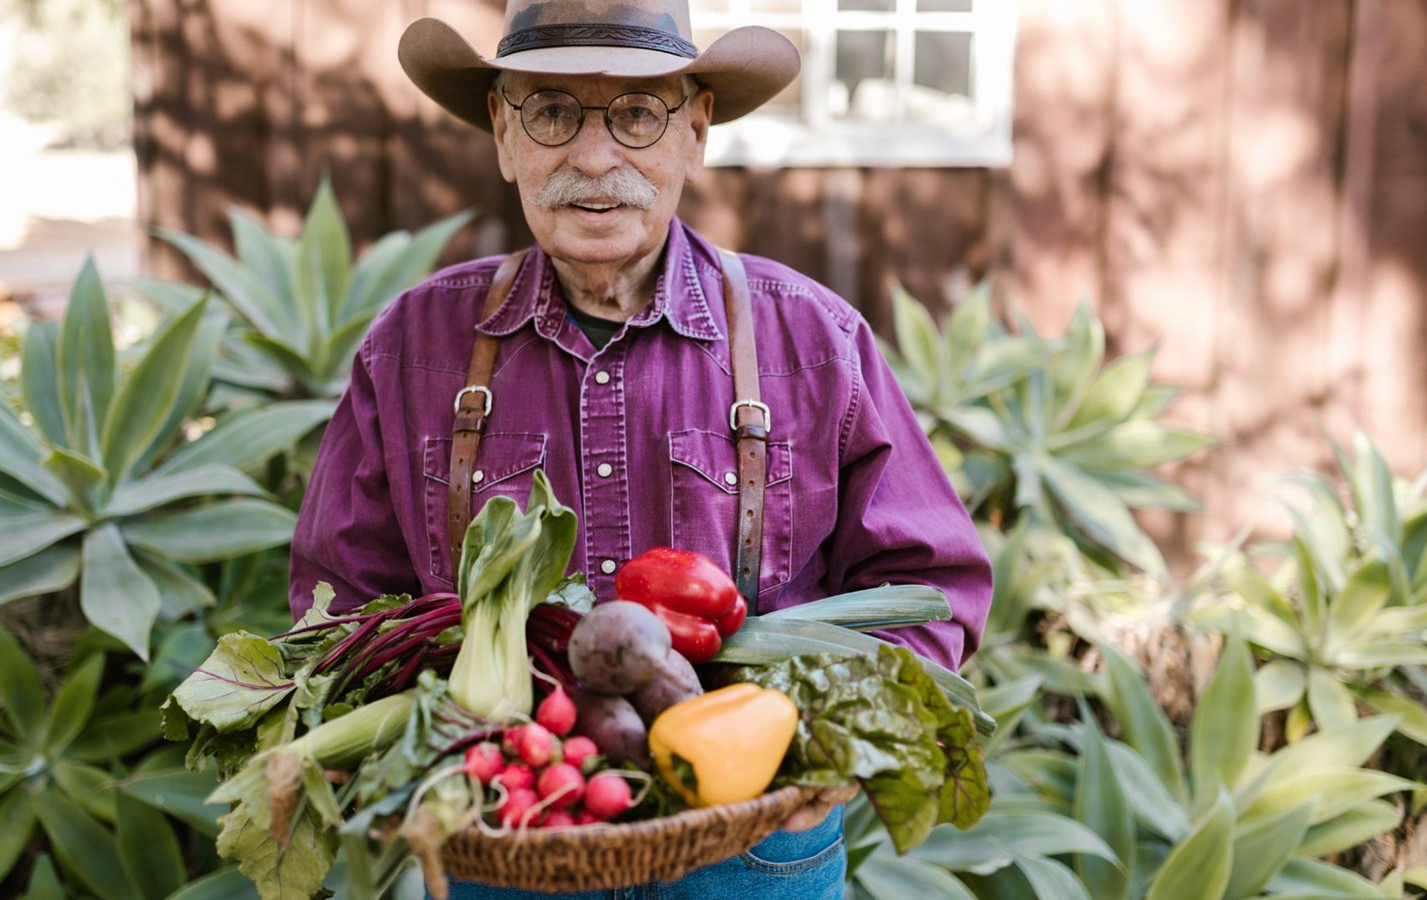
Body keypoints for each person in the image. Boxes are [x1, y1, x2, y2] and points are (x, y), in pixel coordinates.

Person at [289, 1, 993, 896]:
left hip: (751, 847)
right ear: (504, 136)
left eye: (636, 113)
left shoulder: (814, 342)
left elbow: (936, 590)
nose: (592, 158)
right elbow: (338, 606)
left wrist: (828, 751)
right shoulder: (412, 348)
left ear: (694, 134)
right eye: (550, 111)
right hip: (508, 833)